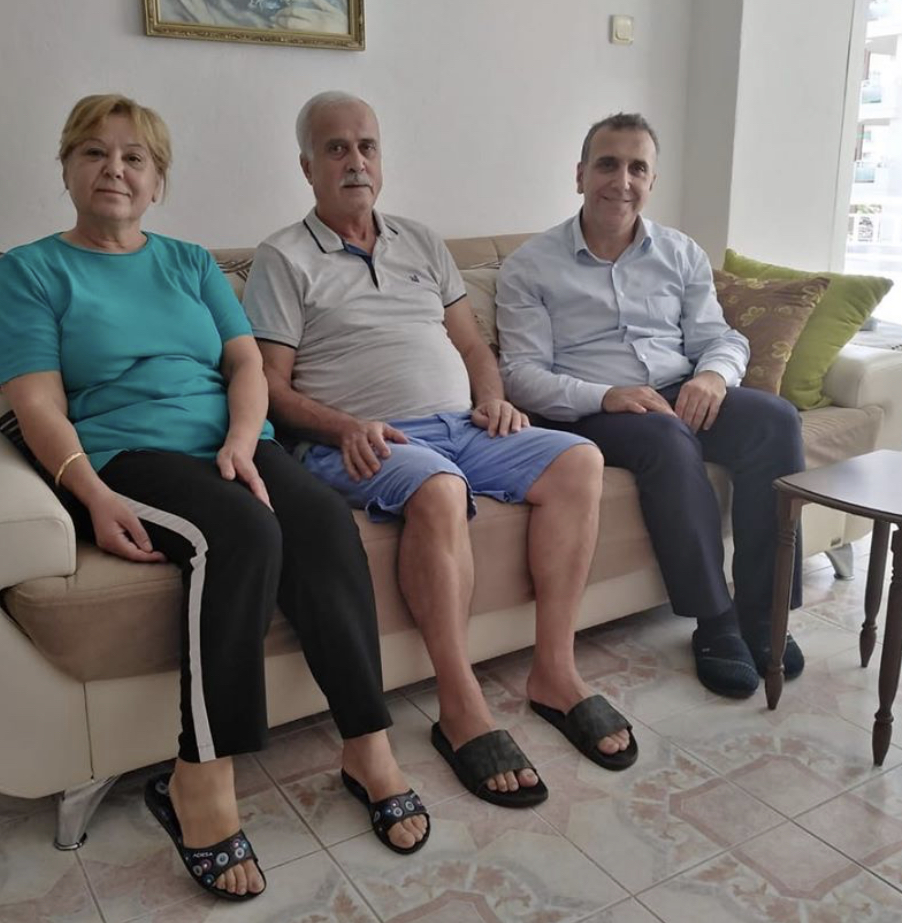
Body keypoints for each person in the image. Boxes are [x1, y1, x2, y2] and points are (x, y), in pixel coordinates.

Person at [0, 94, 428, 903]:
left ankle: (367, 744)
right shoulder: (31, 271)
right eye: (94, 152)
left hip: (228, 441)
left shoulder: (190, 263)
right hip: (124, 453)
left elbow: (246, 365)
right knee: (245, 534)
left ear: (157, 181)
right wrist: (90, 492)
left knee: (323, 522)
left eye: (135, 157)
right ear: (66, 169)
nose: (114, 169)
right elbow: (37, 402)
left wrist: (244, 438)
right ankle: (200, 775)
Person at [244, 91, 637, 807]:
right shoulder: (282, 258)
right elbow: (268, 386)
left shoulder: (421, 242)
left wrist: (493, 397)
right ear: (307, 166)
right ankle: (460, 707)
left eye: (367, 146)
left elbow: (472, 345)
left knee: (579, 459)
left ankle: (554, 671)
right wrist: (344, 426)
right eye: (336, 148)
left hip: (462, 425)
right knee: (439, 488)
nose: (355, 161)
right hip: (363, 439)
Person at [495, 113, 806, 700]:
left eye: (637, 168)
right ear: (580, 175)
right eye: (608, 165)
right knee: (668, 440)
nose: (622, 181)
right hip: (593, 410)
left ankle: (762, 612)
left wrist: (712, 376)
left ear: (652, 180)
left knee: (776, 420)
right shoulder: (531, 266)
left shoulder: (680, 253)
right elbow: (522, 377)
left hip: (676, 391)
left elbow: (720, 338)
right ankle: (714, 621)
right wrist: (607, 396)